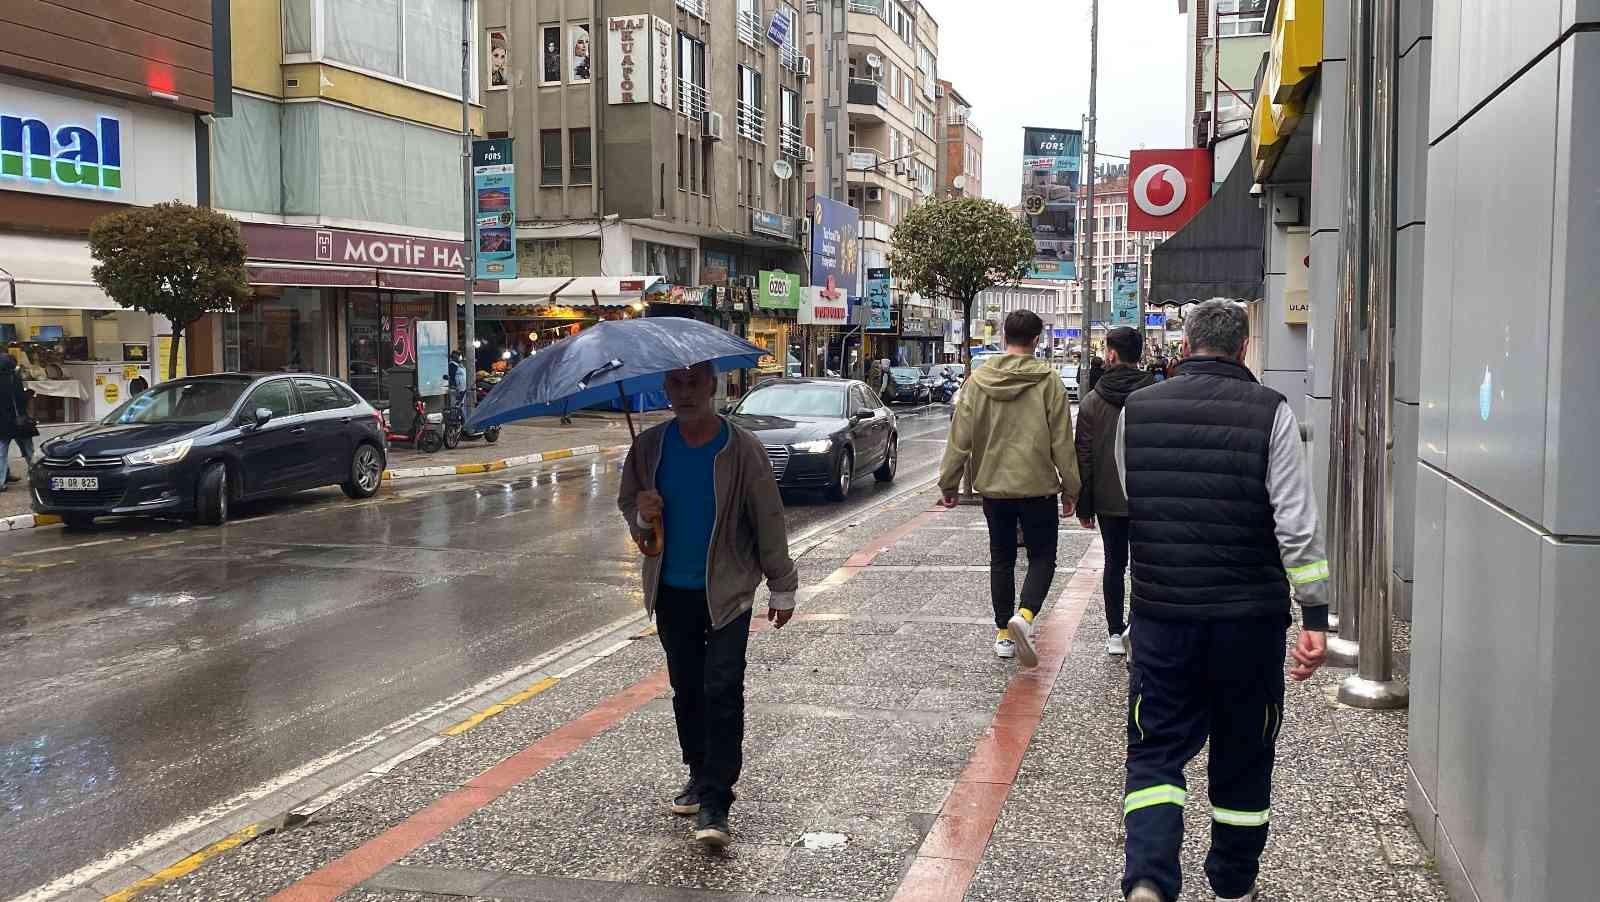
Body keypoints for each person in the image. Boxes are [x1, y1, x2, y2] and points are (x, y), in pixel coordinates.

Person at [1116, 300, 1329, 902]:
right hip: (1248, 623)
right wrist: (1314, 613)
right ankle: (1233, 885)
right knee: (1244, 751)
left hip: (1163, 616)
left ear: (1185, 347)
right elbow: (1296, 523)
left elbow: (1136, 497)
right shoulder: (1271, 412)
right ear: (1243, 348)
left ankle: (1149, 880)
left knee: (1155, 752)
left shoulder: (1138, 410)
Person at [618, 362, 799, 849]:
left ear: (713, 385)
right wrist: (642, 514)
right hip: (671, 589)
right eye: (676, 383)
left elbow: (768, 517)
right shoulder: (648, 447)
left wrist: (782, 584)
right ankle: (698, 773)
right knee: (687, 687)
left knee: (722, 687)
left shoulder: (742, 449)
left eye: (694, 382)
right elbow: (629, 506)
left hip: (728, 591)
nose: (686, 392)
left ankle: (717, 798)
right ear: (665, 388)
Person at [938, 309, 1080, 667]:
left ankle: (1003, 633)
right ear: (1036, 340)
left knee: (1001, 558)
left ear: (1003, 337)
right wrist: (1071, 488)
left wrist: (949, 483)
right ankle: (1025, 615)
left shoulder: (978, 381)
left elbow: (960, 438)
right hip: (1038, 487)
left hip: (994, 488)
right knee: (1042, 556)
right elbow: (1062, 441)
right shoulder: (1049, 381)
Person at [1074, 326, 1155, 657]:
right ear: (1139, 355)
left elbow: (1084, 456)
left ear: (1111, 354)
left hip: (1108, 497)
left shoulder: (1092, 401)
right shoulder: (1155, 394)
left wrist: (1084, 505)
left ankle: (1114, 632)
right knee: (1144, 566)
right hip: (1147, 496)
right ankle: (1139, 626)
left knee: (1114, 563)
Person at [0, 355, 35, 490]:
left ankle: (1, 481)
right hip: (19, 421)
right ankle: (36, 476)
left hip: (3, 422)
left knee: (1, 452)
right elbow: (20, 399)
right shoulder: (14, 379)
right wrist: (29, 393)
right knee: (29, 451)